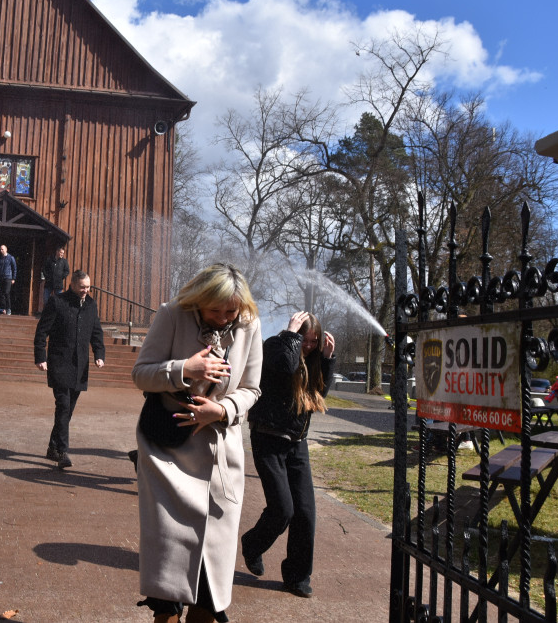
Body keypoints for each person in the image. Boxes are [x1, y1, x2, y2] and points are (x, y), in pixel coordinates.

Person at [132, 263, 262, 623]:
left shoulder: (249, 324)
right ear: (198, 300)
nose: (223, 318)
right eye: (215, 310)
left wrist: (220, 410)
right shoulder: (172, 314)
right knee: (167, 587)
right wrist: (184, 369)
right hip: (167, 456)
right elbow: (140, 373)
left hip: (220, 460)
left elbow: (252, 389)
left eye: (230, 311)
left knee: (209, 591)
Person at [240, 310, 335, 599]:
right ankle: (253, 545)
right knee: (283, 509)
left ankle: (296, 577)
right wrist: (291, 335)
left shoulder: (314, 357)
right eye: (305, 339)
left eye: (313, 341)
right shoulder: (274, 346)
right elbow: (285, 365)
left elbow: (320, 391)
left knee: (305, 513)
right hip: (267, 438)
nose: (308, 345)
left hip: (297, 443)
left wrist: (328, 360)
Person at [33, 269, 106, 469]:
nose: (86, 290)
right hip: (59, 363)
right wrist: (41, 356)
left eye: (88, 287)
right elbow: (42, 331)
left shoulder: (91, 305)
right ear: (72, 284)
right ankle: (63, 452)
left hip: (80, 366)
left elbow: (96, 332)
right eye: (82, 287)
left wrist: (99, 354)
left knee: (68, 410)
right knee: (64, 406)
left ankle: (52, 447)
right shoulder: (58, 302)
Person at [0, 244, 17, 315]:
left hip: (8, 277)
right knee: (1, 294)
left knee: (6, 292)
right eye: (0, 249)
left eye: (2, 249)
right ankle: (3, 309)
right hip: (0, 278)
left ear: (6, 249)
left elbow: (14, 268)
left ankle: (9, 308)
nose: (1, 250)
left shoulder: (10, 258)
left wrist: (13, 278)